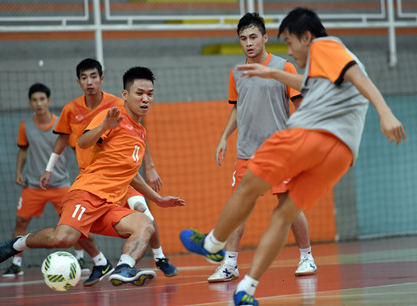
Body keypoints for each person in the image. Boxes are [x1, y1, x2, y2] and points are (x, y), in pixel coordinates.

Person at [180, 7, 405, 305]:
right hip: (340, 154)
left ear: (307, 37)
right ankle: (246, 288)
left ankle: (212, 243)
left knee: (249, 187)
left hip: (305, 137)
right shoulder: (317, 68)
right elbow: (313, 85)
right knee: (283, 214)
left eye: (289, 42)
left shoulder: (326, 45)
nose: (288, 50)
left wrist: (385, 112)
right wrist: (272, 73)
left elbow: (358, 76)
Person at [0, 66, 185, 287]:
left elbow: (131, 175)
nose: (146, 98)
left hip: (110, 205)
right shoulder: (113, 117)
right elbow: (82, 141)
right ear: (125, 95)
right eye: (140, 93)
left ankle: (124, 267)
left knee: (146, 224)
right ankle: (19, 243)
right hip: (87, 194)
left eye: (150, 94)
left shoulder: (140, 132)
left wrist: (158, 199)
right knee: (64, 238)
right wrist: (104, 126)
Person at [40, 58, 177, 284]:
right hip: (95, 178)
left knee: (145, 215)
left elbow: (138, 139)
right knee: (70, 232)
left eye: (93, 76)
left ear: (101, 79)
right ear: (78, 82)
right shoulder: (71, 109)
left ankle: (158, 257)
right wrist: (49, 168)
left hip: (125, 177)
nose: (90, 81)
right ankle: (101, 261)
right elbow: (67, 140)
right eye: (84, 77)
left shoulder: (118, 104)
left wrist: (150, 167)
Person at [207, 12, 316, 283]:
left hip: (280, 152)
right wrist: (224, 138)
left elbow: (301, 108)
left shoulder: (285, 68)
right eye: (243, 38)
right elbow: (236, 110)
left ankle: (307, 257)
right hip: (246, 153)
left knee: (287, 206)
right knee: (238, 207)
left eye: (253, 36)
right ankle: (230, 264)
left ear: (265, 38)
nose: (248, 43)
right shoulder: (236, 73)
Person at [2, 83, 72, 277]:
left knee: (74, 223)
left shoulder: (62, 124)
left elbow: (76, 148)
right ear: (30, 103)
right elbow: (23, 149)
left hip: (61, 184)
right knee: (21, 221)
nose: (38, 103)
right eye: (34, 100)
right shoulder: (26, 126)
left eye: (42, 99)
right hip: (33, 185)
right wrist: (18, 171)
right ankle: (16, 263)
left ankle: (81, 257)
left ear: (49, 101)